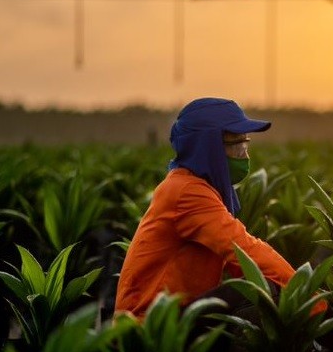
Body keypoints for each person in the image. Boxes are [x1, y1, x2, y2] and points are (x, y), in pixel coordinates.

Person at [114, 97, 298, 320]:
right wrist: (304, 294)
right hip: (151, 325)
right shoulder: (187, 192)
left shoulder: (197, 186)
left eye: (245, 142)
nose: (244, 153)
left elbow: (240, 263)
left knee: (261, 285)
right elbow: (243, 249)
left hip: (173, 314)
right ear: (207, 147)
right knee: (257, 290)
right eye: (236, 143)